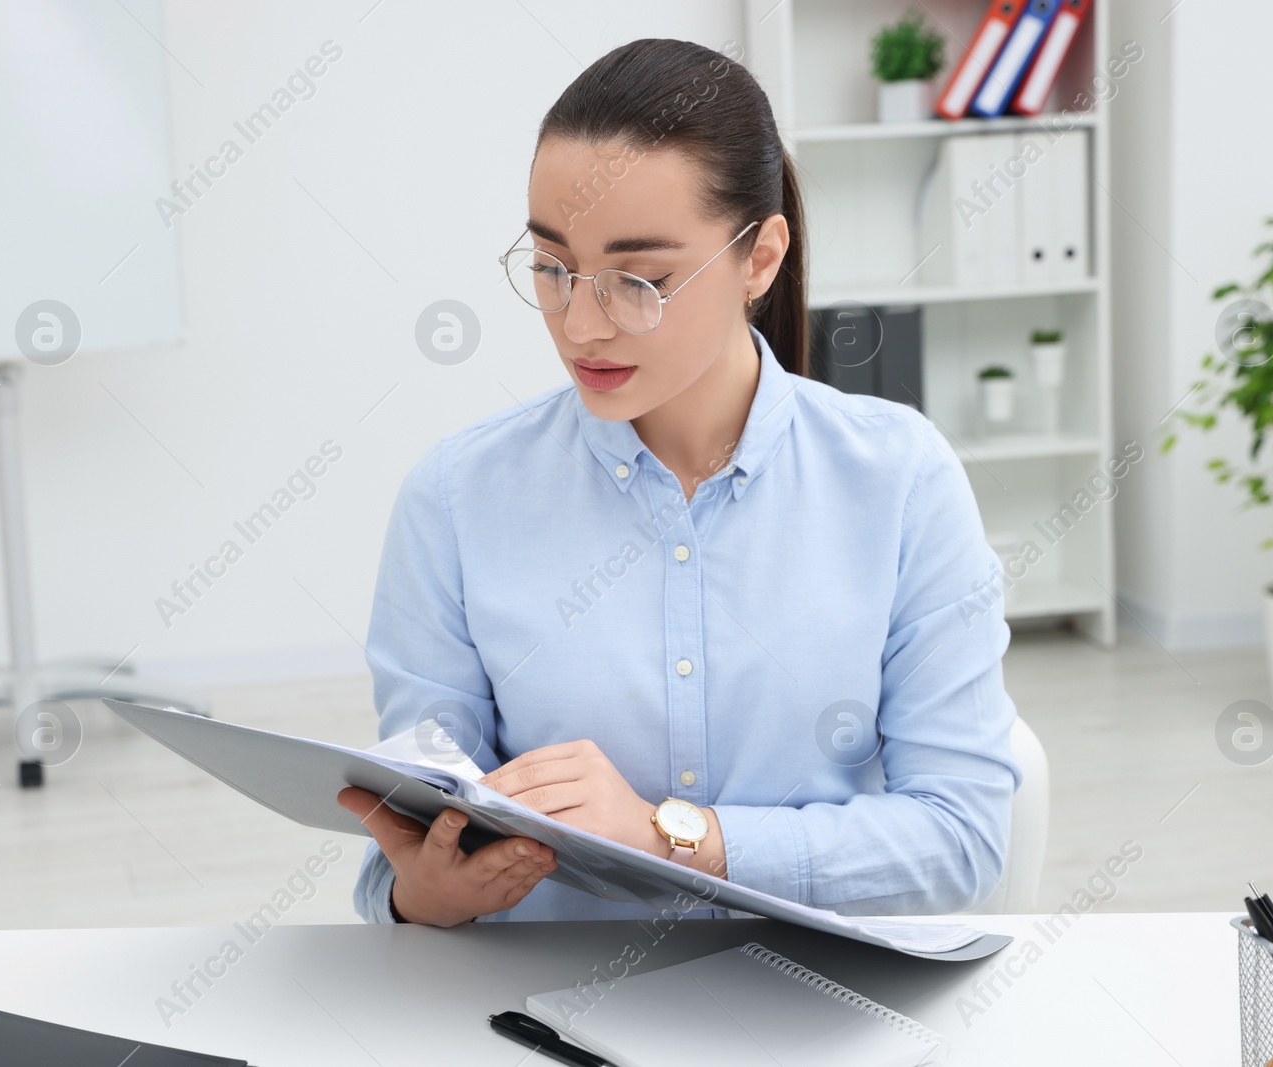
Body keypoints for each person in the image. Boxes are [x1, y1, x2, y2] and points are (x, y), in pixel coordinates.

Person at [337, 37, 1020, 928]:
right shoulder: (457, 499)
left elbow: (963, 841)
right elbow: (417, 830)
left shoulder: (900, 479)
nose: (581, 323)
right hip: (542, 1019)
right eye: (552, 267)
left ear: (760, 258)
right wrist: (420, 893)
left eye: (639, 279)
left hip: (813, 1014)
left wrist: (676, 837)